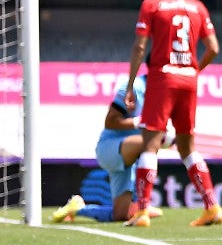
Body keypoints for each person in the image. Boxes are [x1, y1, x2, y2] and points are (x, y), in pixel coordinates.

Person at [123, 0, 222, 229]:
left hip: (162, 77)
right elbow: (213, 47)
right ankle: (212, 207)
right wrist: (195, 70)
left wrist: (131, 84)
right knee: (188, 147)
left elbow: (140, 47)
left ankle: (142, 211)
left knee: (151, 144)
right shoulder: (197, 6)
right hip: (188, 79)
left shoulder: (151, 4)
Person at [50, 74, 167, 223]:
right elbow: (110, 121)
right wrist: (139, 122)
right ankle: (142, 203)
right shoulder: (134, 87)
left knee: (121, 215)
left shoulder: (164, 92)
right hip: (111, 147)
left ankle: (77, 208)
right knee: (148, 143)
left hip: (130, 156)